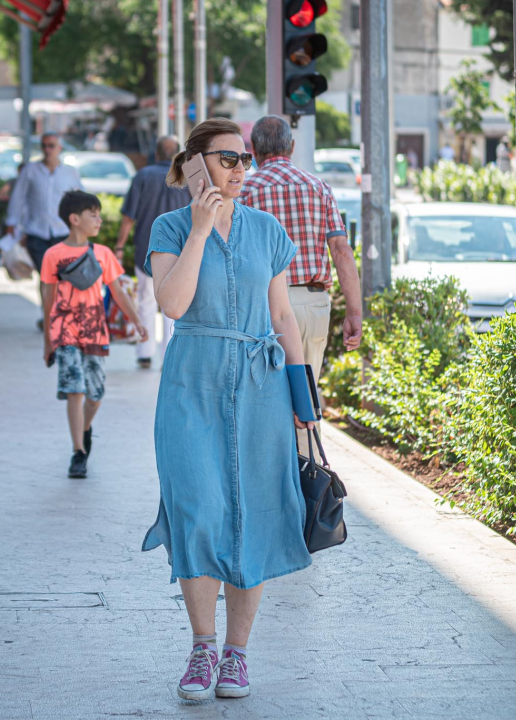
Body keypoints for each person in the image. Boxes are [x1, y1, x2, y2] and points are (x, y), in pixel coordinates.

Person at [141, 117, 317, 701]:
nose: (241, 170)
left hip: (262, 388)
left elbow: (284, 317)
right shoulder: (170, 227)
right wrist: (198, 230)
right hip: (192, 386)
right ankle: (201, 647)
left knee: (256, 515)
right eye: (227, 159)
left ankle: (237, 656)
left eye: (245, 160)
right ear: (196, 165)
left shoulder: (267, 230)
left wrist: (303, 396)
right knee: (198, 509)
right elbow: (171, 304)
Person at [240, 115, 363, 446]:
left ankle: (272, 482)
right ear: (291, 147)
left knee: (264, 399)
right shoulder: (318, 186)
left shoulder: (246, 189)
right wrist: (354, 311)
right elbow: (341, 249)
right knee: (305, 395)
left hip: (263, 305)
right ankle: (309, 481)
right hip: (312, 305)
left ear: (253, 149)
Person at [41, 191, 147, 479]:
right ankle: (78, 452)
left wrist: (137, 320)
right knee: (75, 388)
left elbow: (118, 292)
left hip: (95, 331)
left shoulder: (103, 254)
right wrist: (48, 341)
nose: (99, 220)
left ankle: (85, 429)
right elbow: (47, 298)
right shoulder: (53, 255)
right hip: (65, 331)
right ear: (74, 220)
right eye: (93, 214)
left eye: (100, 214)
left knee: (95, 396)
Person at [115, 136, 191, 369]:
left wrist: (119, 246)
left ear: (155, 153)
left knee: (146, 300)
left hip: (146, 250)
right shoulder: (187, 177)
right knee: (172, 305)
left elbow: (128, 217)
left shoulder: (142, 176)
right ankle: (169, 353)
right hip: (180, 251)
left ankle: (145, 352)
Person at [5, 133, 83, 323]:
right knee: (46, 276)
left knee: (63, 277)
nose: (47, 150)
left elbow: (80, 200)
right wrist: (11, 222)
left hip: (62, 232)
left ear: (60, 148)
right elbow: (18, 197)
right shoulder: (30, 170)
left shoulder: (70, 172)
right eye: (44, 146)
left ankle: (61, 314)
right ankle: (48, 315)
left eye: (51, 146)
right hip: (36, 232)